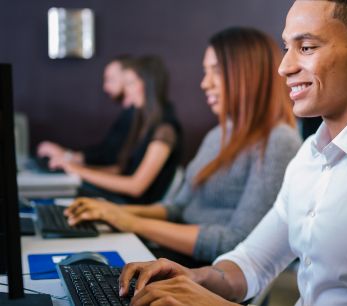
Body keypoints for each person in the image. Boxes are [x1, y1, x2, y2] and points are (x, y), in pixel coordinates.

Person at [116, 1, 347, 306]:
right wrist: (192, 279)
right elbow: (251, 262)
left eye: (307, 47)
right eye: (287, 47)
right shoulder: (309, 157)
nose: (284, 66)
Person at [64, 27, 302, 266]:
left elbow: (236, 242)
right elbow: (177, 208)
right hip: (175, 252)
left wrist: (131, 222)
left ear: (251, 74)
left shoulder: (278, 142)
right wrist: (112, 212)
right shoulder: (217, 135)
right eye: (205, 72)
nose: (204, 83)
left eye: (216, 71)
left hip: (206, 272)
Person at [53, 56, 183, 204]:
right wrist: (76, 168)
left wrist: (79, 171)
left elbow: (136, 187)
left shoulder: (165, 129)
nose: (125, 90)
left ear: (148, 84)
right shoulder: (141, 121)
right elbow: (119, 169)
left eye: (130, 83)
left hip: (134, 208)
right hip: (122, 199)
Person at [38, 55, 136, 168]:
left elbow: (110, 157)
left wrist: (67, 157)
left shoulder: (135, 116)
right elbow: (106, 149)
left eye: (111, 79)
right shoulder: (128, 114)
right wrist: (67, 155)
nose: (105, 87)